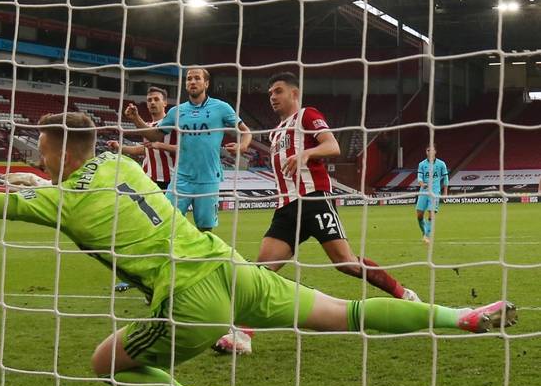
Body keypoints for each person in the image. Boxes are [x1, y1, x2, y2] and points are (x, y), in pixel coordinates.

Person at [0, 112, 517, 386]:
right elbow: (51, 175)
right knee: (345, 312)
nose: (34, 156)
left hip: (188, 299)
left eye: (37, 149)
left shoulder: (60, 197)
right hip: (230, 267)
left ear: (51, 150)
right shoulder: (122, 166)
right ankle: (460, 316)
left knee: (107, 362)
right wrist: (33, 176)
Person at [257, 72, 420, 302]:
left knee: (346, 263)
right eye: (270, 93)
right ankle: (243, 334)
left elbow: (333, 146)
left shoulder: (307, 115)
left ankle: (404, 294)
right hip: (286, 209)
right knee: (261, 270)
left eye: (278, 91)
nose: (272, 97)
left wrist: (307, 153)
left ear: (294, 93)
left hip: (314, 201)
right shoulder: (275, 133)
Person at [127, 67, 252, 232]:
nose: (192, 81)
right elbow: (155, 135)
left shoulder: (221, 108)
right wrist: (136, 119)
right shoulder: (177, 112)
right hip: (181, 178)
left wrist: (242, 146)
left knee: (205, 228)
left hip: (208, 178)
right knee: (167, 222)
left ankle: (203, 257)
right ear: (185, 84)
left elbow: (246, 131)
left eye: (197, 78)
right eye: (189, 79)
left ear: (206, 83)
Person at [107, 86, 177, 293]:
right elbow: (143, 149)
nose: (152, 103)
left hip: (170, 182)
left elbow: (178, 147)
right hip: (148, 181)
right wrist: (121, 148)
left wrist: (160, 144)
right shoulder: (149, 126)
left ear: (165, 103)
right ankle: (139, 274)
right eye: (149, 100)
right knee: (141, 226)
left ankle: (165, 270)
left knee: (164, 229)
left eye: (156, 99)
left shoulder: (172, 124)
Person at [415, 145, 449, 244]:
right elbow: (419, 177)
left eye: (432, 150)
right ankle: (424, 231)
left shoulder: (441, 164)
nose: (430, 152)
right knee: (419, 215)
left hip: (435, 192)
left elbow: (445, 179)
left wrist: (445, 193)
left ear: (435, 152)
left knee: (431, 213)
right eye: (428, 150)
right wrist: (421, 183)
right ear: (426, 152)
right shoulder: (422, 164)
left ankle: (426, 236)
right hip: (423, 192)